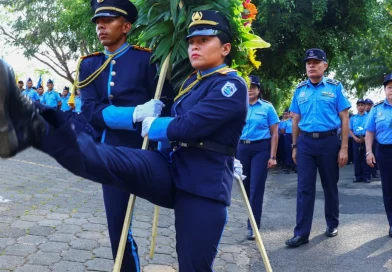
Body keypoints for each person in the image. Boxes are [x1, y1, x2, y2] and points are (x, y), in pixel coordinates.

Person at [0, 8, 247, 271]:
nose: (195, 47)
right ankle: (33, 123)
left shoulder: (231, 85)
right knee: (103, 159)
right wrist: (144, 122)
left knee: (192, 264)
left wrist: (156, 127)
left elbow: (189, 125)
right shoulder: (191, 83)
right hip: (172, 167)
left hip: (202, 184)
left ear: (225, 48)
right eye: (191, 42)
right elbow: (93, 110)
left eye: (204, 41)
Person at [76, 0, 173, 270]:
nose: (101, 26)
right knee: (118, 227)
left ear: (127, 26)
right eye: (97, 22)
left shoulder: (149, 60)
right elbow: (91, 111)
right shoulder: (89, 65)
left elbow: (170, 103)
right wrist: (133, 114)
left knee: (186, 209)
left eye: (108, 21)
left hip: (148, 151)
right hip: (113, 154)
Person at [285, 48, 351, 247]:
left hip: (329, 142)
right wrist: (295, 146)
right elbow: (295, 119)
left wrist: (344, 148)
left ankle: (332, 223)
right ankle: (301, 233)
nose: (311, 65)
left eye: (315, 62)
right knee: (304, 188)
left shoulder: (335, 87)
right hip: (305, 143)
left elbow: (344, 117)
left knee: (329, 185)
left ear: (325, 66)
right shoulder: (299, 90)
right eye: (308, 63)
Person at [236, 75, 279, 240]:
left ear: (259, 90)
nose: (250, 90)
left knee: (256, 188)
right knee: (245, 188)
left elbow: (275, 133)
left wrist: (273, 156)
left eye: (253, 87)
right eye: (247, 87)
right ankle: (250, 219)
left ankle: (253, 226)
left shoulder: (267, 108)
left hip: (261, 149)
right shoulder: (239, 106)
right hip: (241, 148)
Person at [365, 73, 392, 238]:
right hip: (385, 152)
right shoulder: (377, 109)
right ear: (384, 90)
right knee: (388, 189)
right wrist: (369, 152)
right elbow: (369, 132)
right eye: (389, 87)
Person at [349, 99, 371, 183]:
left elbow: (372, 128)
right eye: (359, 105)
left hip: (366, 138)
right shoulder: (353, 118)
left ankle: (366, 176)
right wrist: (355, 138)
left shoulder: (369, 116)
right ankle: (357, 176)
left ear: (365, 106)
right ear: (357, 107)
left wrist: (365, 138)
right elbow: (350, 129)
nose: (361, 107)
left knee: (365, 158)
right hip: (356, 138)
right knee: (357, 158)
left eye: (362, 105)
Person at [364, 98, 380, 178]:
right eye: (366, 105)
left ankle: (374, 172)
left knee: (376, 155)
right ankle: (367, 174)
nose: (367, 106)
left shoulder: (376, 112)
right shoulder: (362, 115)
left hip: (376, 139)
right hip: (365, 138)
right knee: (368, 155)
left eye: (369, 105)